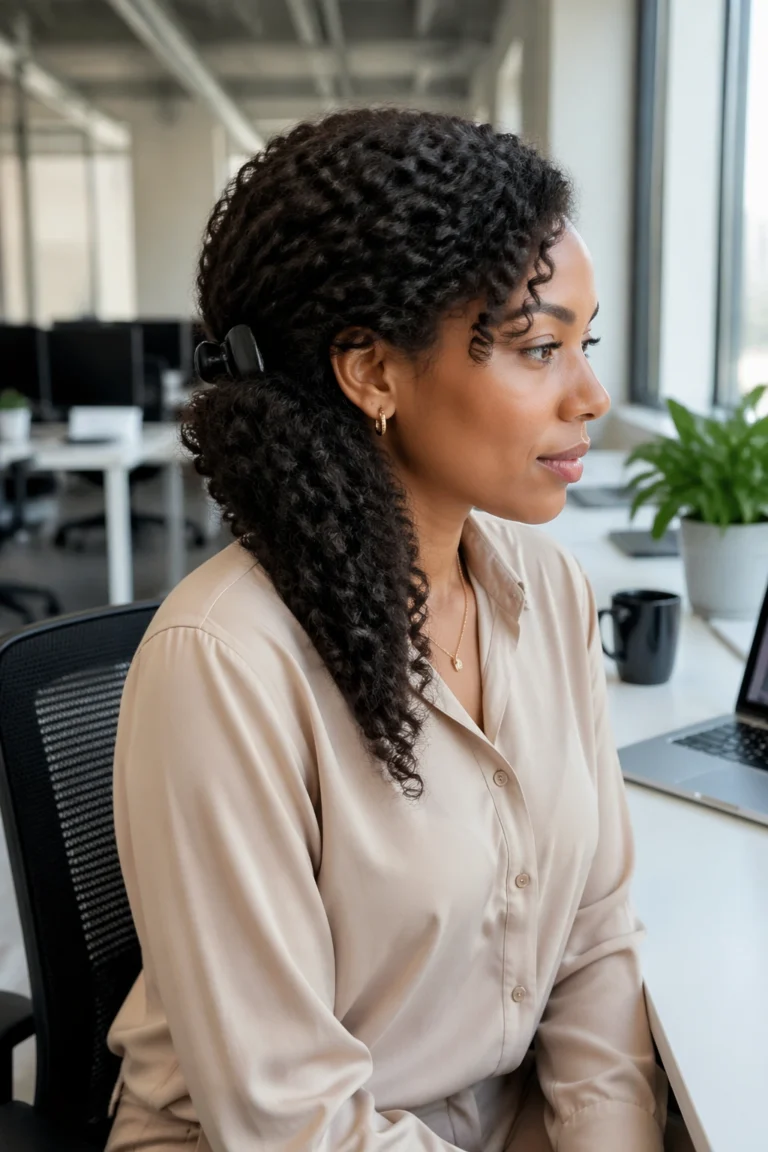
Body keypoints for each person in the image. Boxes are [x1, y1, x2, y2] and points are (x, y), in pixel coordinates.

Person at [105, 108, 672, 1152]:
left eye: (585, 345)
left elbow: (595, 940)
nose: (589, 394)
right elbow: (290, 1119)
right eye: (540, 348)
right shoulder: (224, 664)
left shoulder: (548, 592)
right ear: (371, 371)